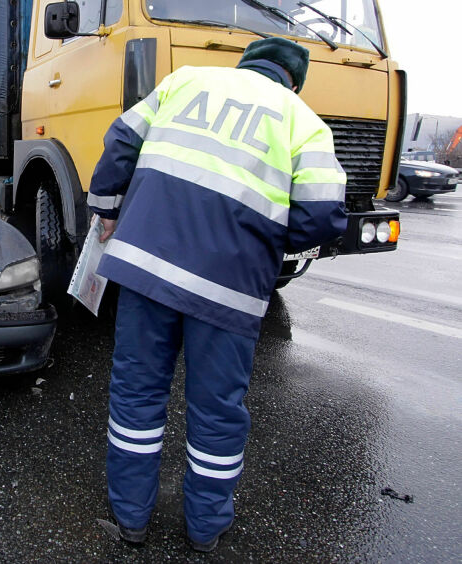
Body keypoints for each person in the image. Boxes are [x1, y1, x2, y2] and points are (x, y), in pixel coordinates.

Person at [87, 37, 347, 552]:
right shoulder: (304, 121)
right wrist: (267, 247)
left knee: (137, 396)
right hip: (229, 290)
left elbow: (119, 142)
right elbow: (321, 219)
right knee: (217, 410)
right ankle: (205, 530)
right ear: (295, 80)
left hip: (146, 270)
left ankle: (130, 520)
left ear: (246, 62)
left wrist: (107, 208)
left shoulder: (185, 80)